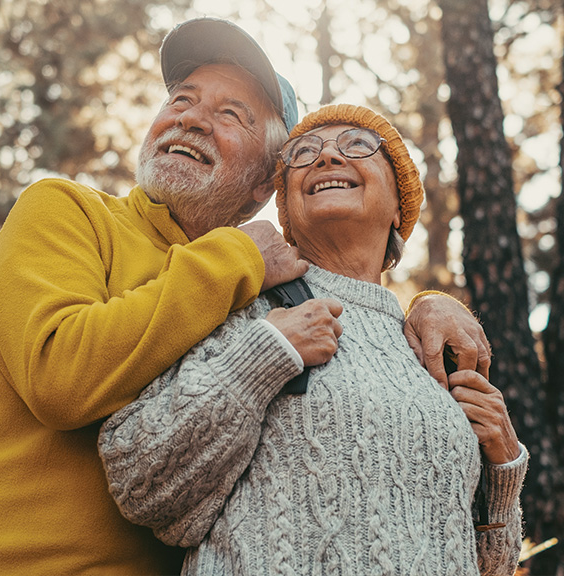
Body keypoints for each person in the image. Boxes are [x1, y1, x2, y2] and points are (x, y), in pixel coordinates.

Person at [0, 17, 489, 576]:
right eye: (182, 100)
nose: (189, 117)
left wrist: (429, 304)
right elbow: (59, 376)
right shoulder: (68, 211)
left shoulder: (263, 295)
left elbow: (354, 302)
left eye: (230, 114)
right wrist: (236, 259)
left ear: (266, 185)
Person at [99, 103, 528, 576]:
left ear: (400, 204)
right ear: (287, 211)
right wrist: (262, 354)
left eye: (358, 145)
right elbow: (140, 484)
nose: (326, 159)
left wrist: (503, 472)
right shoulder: (246, 306)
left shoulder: (431, 347)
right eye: (304, 154)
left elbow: (490, 567)